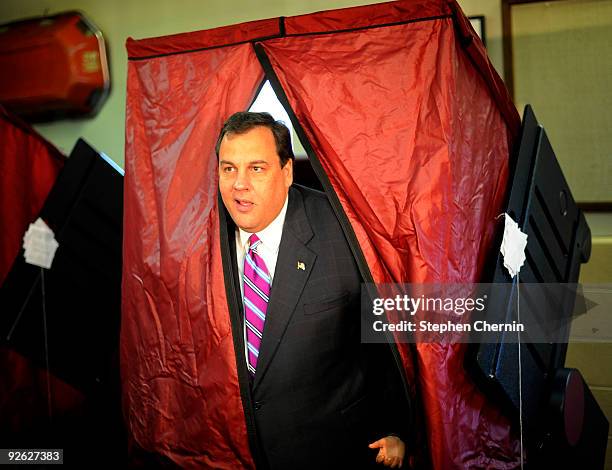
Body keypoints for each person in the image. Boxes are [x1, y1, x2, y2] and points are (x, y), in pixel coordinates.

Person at [216, 112, 410, 469]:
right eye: (228, 169)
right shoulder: (201, 237)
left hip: (336, 451)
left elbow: (391, 331)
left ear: (287, 171)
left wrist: (399, 427)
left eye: (256, 168)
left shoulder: (343, 230)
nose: (239, 184)